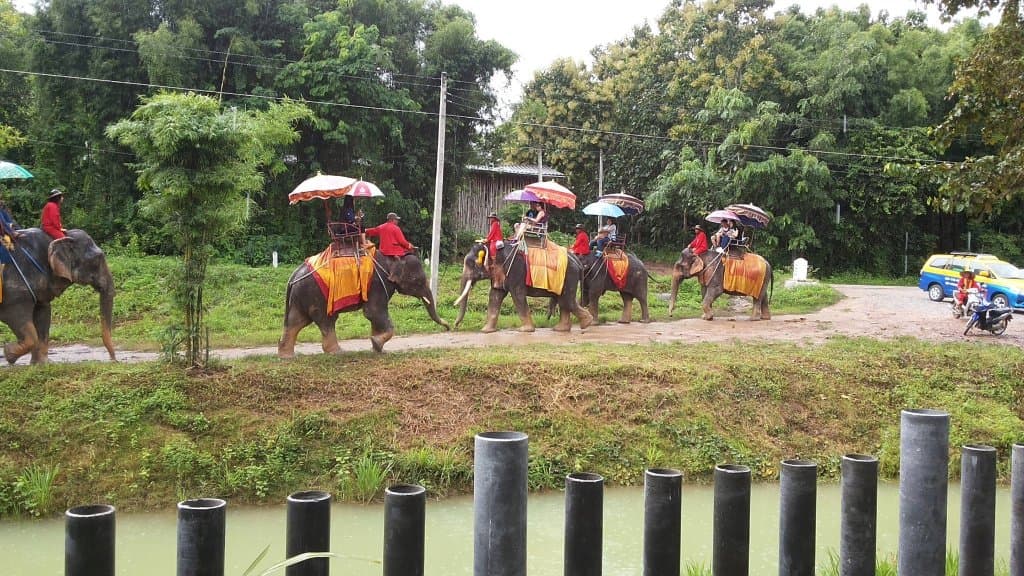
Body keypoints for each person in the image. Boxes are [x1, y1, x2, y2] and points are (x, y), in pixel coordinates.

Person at [364, 212, 415, 280]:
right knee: (408, 254)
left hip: (383, 250)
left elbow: (373, 231)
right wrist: (409, 245)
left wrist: (364, 230)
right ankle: (402, 275)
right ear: (392, 220)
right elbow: (402, 241)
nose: (397, 221)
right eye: (396, 219)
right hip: (394, 250)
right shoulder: (396, 228)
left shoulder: (381, 227)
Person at [485, 211, 505, 288]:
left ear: (494, 218)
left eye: (491, 218)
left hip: (496, 241)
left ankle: (493, 261)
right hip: (495, 239)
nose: (490, 219)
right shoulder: (495, 223)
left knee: (491, 247)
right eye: (490, 218)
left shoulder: (495, 223)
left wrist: (487, 239)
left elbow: (492, 233)